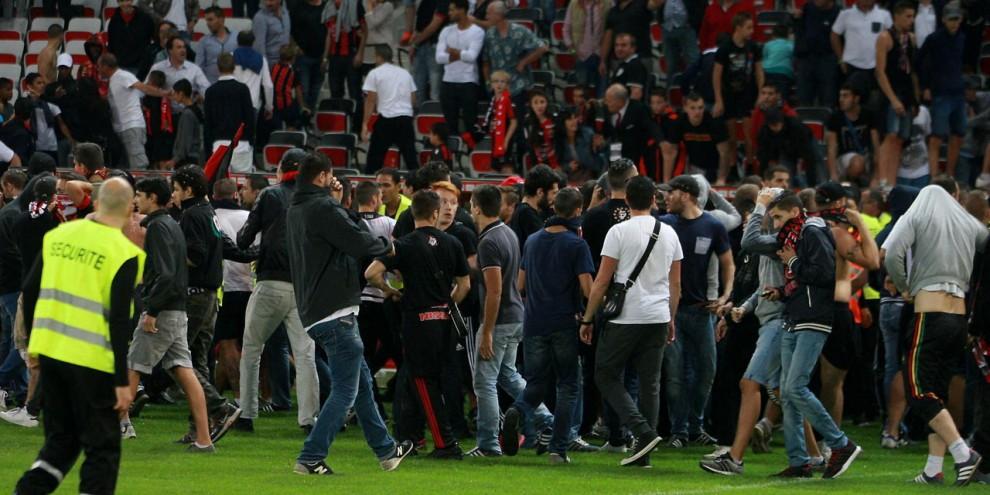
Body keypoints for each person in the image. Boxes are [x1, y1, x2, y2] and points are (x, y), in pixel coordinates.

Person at [13, 178, 143, 494]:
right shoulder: (125, 253)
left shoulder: (58, 236)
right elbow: (118, 321)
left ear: (96, 204)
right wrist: (121, 381)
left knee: (61, 442)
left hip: (51, 353)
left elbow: (30, 288)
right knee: (103, 448)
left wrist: (33, 344)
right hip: (92, 360)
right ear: (130, 210)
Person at [286, 152, 413, 475]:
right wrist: (388, 247)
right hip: (336, 309)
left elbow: (336, 233)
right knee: (346, 390)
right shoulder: (322, 208)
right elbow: (357, 242)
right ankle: (310, 456)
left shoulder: (298, 208)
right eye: (329, 176)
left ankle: (386, 450)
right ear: (321, 177)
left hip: (314, 308)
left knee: (362, 384)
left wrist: (337, 202)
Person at [882, 184, 987, 486]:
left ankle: (963, 453)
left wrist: (905, 286)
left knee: (918, 391)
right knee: (938, 393)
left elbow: (891, 254)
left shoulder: (916, 215)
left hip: (930, 313)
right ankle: (933, 469)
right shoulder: (968, 223)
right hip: (959, 317)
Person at [579, 175, 681, 467]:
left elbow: (602, 280)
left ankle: (642, 431)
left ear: (626, 200)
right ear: (654, 199)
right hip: (658, 314)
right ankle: (643, 452)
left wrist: (588, 318)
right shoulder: (669, 233)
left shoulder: (619, 231)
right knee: (650, 383)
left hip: (626, 316)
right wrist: (671, 317)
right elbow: (676, 284)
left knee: (605, 374)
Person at [366, 190, 471, 458]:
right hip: (444, 321)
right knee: (429, 380)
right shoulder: (453, 243)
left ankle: (445, 443)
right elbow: (464, 285)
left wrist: (390, 290)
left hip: (417, 320)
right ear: (435, 213)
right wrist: (447, 303)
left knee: (423, 381)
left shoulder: (404, 244)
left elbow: (372, 272)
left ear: (413, 213)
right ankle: (412, 437)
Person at [765, 190, 863, 479]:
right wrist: (781, 291)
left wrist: (793, 262)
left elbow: (824, 274)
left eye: (779, 217)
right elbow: (804, 281)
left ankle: (841, 444)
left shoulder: (812, 232)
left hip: (813, 317)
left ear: (795, 212)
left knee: (796, 387)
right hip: (795, 314)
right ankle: (800, 461)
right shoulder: (799, 235)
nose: (776, 224)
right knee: (787, 392)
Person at [117, 177, 215, 449]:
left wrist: (152, 310)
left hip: (162, 312)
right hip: (178, 310)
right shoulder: (171, 224)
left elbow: (166, 274)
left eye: (140, 195)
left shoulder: (159, 227)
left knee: (133, 367)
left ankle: (119, 426)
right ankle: (204, 439)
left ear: (152, 198)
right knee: (185, 372)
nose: (136, 200)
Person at [501, 187, 594, 464]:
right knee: (568, 385)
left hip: (534, 322)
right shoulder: (576, 245)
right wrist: (588, 317)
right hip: (564, 322)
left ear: (553, 208)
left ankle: (517, 410)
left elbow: (519, 284)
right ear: (578, 211)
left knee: (536, 383)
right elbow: (588, 289)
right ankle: (558, 449)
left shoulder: (532, 240)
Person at [236, 150, 319, 433]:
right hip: (304, 287)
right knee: (306, 354)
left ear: (281, 170)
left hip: (270, 281)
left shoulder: (270, 195)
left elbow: (244, 238)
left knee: (252, 349)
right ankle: (309, 419)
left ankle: (247, 414)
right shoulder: (317, 199)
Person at [469, 185, 553, 457]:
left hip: (500, 320)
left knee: (484, 382)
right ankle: (546, 420)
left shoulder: (488, 242)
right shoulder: (508, 233)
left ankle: (488, 444)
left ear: (477, 208)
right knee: (509, 375)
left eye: (471, 205)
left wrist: (487, 331)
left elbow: (494, 291)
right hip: (517, 315)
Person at [170, 165, 245, 444]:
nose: (173, 195)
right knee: (198, 362)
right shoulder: (207, 211)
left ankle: (220, 408)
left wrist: (168, 256)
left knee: (177, 358)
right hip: (211, 295)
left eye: (176, 189)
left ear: (188, 190)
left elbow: (195, 255)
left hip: (194, 295)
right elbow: (225, 247)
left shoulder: (191, 215)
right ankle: (198, 427)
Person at [660, 175, 734, 448]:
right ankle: (679, 431)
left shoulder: (712, 225)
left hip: (703, 311)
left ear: (687, 194)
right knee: (675, 374)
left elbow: (728, 263)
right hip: (672, 312)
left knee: (706, 371)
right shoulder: (665, 224)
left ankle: (695, 425)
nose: (667, 198)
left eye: (672, 192)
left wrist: (725, 296)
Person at [813, 182, 880, 430]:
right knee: (832, 383)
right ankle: (831, 440)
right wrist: (860, 222)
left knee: (802, 382)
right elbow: (873, 261)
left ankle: (806, 439)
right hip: (834, 311)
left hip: (805, 309)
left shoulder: (805, 229)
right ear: (841, 204)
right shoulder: (837, 235)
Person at [211, 179, 252, 408]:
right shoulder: (249, 217)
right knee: (247, 344)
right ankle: (215, 393)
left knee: (227, 343)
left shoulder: (213, 217)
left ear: (214, 195)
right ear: (235, 194)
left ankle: (238, 396)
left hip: (226, 288)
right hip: (251, 286)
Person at [874, 1, 919, 187]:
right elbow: (880, 72)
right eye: (908, 16)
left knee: (901, 139)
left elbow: (913, 71)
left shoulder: (911, 39)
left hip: (907, 92)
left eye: (913, 16)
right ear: (896, 16)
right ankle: (883, 179)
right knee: (890, 135)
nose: (911, 20)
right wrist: (892, 99)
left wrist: (915, 99)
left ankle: (892, 182)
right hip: (891, 92)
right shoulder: (885, 37)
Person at [918, 5, 966, 178]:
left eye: (957, 19)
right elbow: (920, 62)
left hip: (958, 92)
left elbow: (964, 62)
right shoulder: (934, 39)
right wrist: (925, 86)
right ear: (943, 19)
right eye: (951, 19)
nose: (954, 23)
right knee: (937, 136)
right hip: (940, 93)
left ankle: (950, 175)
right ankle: (934, 177)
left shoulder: (962, 38)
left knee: (958, 134)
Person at [100, 54, 168, 170]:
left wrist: (164, 93)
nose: (98, 70)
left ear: (105, 66)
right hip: (122, 128)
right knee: (126, 168)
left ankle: (142, 182)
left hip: (132, 126)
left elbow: (144, 88)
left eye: (99, 66)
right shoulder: (113, 80)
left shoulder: (123, 76)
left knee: (138, 165)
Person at [713, 13, 763, 168]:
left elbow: (759, 71)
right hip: (729, 94)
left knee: (750, 135)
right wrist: (719, 99)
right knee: (732, 137)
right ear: (738, 28)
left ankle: (750, 164)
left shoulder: (753, 47)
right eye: (748, 27)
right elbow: (716, 75)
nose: (752, 31)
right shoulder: (725, 48)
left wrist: (761, 93)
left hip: (748, 93)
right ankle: (733, 165)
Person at [482, 2, 549, 114]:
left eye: (489, 13)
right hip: (497, 87)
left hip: (517, 85)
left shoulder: (519, 31)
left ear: (498, 15)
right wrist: (488, 83)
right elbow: (486, 62)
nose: (486, 17)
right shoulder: (489, 35)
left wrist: (523, 62)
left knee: (517, 119)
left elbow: (542, 48)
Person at [362, 45, 419, 174]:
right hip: (405, 119)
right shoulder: (405, 73)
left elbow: (370, 100)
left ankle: (370, 184)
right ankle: (418, 184)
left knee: (374, 160)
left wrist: (365, 124)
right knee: (411, 159)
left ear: (378, 57)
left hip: (386, 119)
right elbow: (413, 98)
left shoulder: (375, 73)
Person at [436, 0, 484, 137]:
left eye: (452, 10)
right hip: (448, 81)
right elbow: (439, 58)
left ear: (462, 10)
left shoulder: (477, 31)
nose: (449, 13)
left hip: (468, 82)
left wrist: (454, 53)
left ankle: (471, 148)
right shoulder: (446, 31)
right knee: (450, 125)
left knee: (470, 124)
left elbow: (472, 56)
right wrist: (461, 54)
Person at [661, 93, 731, 184]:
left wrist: (721, 179)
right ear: (685, 108)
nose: (697, 112)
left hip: (715, 167)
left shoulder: (715, 122)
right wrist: (666, 181)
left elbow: (724, 152)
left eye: (700, 108)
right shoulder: (679, 122)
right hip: (694, 166)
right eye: (692, 108)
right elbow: (671, 152)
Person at [204, 53, 256, 169]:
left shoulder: (211, 91)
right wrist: (250, 143)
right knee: (241, 179)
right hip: (241, 144)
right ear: (234, 67)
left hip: (218, 145)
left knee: (220, 180)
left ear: (218, 68)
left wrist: (208, 153)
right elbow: (250, 119)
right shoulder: (242, 89)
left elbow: (208, 124)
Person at [830, 0, 892, 98]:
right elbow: (834, 35)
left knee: (875, 100)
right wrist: (841, 59)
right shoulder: (845, 14)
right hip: (851, 65)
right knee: (851, 99)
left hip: (876, 67)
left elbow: (891, 37)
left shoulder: (884, 15)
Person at [601, 84, 661, 177]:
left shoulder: (639, 110)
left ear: (620, 101)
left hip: (636, 158)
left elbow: (651, 129)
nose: (606, 103)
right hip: (614, 153)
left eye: (609, 101)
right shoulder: (607, 110)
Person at [825, 84, 880, 182]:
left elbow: (876, 146)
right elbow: (831, 148)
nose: (841, 99)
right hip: (843, 158)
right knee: (857, 163)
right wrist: (833, 175)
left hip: (866, 156)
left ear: (856, 99)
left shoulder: (869, 115)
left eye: (845, 96)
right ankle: (847, 183)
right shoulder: (835, 118)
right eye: (840, 96)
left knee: (861, 161)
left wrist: (876, 177)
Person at [795, 0, 840, 107]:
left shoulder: (838, 13)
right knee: (803, 99)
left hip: (828, 60)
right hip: (806, 60)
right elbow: (800, 29)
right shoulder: (807, 8)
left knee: (828, 100)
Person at [756, 108, 818, 186]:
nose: (775, 128)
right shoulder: (765, 132)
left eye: (776, 125)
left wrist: (812, 184)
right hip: (786, 151)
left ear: (782, 122)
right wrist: (763, 182)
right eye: (772, 125)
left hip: (805, 144)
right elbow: (763, 157)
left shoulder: (797, 127)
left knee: (815, 162)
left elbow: (809, 156)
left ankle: (816, 186)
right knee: (785, 174)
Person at [146, 36, 211, 108]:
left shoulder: (194, 69)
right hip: (165, 111)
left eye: (184, 47)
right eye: (179, 47)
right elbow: (145, 88)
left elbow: (206, 89)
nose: (183, 50)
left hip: (187, 111)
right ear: (170, 50)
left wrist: (202, 96)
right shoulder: (158, 67)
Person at [563, 0, 609, 95]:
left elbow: (611, 29)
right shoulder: (574, 4)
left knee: (602, 93)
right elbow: (566, 29)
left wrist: (604, 58)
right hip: (581, 56)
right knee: (581, 94)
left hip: (602, 55)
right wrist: (573, 51)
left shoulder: (607, 3)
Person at [509, 164, 559, 250]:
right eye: (553, 193)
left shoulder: (524, 211)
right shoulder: (527, 215)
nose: (555, 198)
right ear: (540, 192)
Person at [288, 0, 326, 114]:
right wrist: (296, 47)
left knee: (315, 91)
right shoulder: (297, 7)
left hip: (321, 56)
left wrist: (326, 56)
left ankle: (309, 117)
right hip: (303, 57)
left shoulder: (326, 7)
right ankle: (301, 118)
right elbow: (289, 30)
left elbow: (330, 31)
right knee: (303, 90)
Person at [407, 0, 447, 103]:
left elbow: (436, 22)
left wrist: (415, 42)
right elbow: (421, 20)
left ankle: (435, 112)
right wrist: (415, 38)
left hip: (435, 45)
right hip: (421, 46)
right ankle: (419, 111)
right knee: (417, 87)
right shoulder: (425, 2)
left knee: (435, 90)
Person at [233, 31, 275, 123]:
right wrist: (269, 107)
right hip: (252, 103)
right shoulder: (261, 59)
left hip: (233, 103)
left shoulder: (230, 57)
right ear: (253, 42)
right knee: (250, 131)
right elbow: (268, 85)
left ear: (237, 41)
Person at [108, 0, 158, 75]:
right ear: (118, 2)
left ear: (132, 1)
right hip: (119, 66)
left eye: (127, 0)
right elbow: (111, 44)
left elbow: (154, 39)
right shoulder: (114, 21)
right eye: (121, 1)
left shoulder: (146, 19)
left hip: (139, 67)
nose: (125, 4)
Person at [657, 0, 702, 76]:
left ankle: (694, 81)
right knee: (670, 62)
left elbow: (700, 6)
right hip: (667, 28)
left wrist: (694, 22)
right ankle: (672, 82)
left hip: (686, 28)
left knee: (692, 59)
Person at [197, 6, 240, 84]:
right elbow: (199, 67)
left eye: (210, 20)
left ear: (221, 19)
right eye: (206, 20)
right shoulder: (203, 41)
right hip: (211, 84)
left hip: (234, 83)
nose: (208, 24)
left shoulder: (236, 37)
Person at [170, 79, 203, 167]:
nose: (173, 96)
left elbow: (185, 140)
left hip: (187, 159)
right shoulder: (197, 109)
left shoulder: (187, 114)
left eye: (175, 93)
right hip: (195, 155)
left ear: (181, 94)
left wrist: (175, 159)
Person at [608, 33, 648, 101]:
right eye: (616, 45)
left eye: (623, 45)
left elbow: (636, 94)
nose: (619, 49)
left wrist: (625, 108)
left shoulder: (635, 65)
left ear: (633, 48)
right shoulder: (623, 65)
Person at [253, 0, 291, 66]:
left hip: (286, 60)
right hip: (271, 62)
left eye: (271, 0)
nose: (268, 3)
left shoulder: (285, 12)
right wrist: (265, 66)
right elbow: (259, 46)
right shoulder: (260, 17)